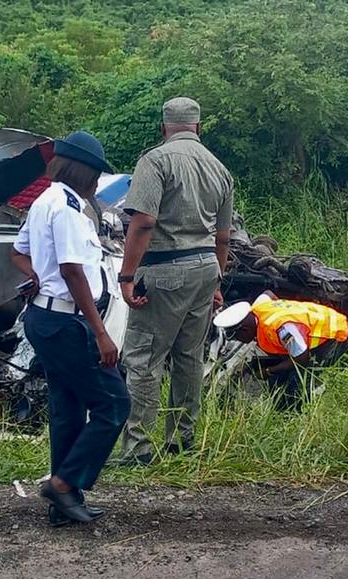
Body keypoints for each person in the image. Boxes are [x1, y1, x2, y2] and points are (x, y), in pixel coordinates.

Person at [11, 131, 130, 526]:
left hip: (46, 317)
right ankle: (63, 484)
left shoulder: (45, 201)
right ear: (82, 172)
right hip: (65, 321)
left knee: (69, 410)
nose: (98, 181)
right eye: (95, 173)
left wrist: (35, 278)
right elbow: (72, 270)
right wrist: (100, 333)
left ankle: (64, 503)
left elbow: (18, 253)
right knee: (114, 404)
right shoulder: (65, 208)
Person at [115, 97, 235, 466]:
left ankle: (139, 448)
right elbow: (224, 237)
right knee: (188, 358)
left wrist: (127, 275)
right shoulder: (219, 169)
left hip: (165, 268)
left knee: (144, 358)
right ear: (198, 127)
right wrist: (217, 281)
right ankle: (182, 442)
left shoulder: (155, 160)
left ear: (164, 126)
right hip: (204, 268)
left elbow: (144, 222)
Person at [213, 293, 348, 410]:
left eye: (238, 337)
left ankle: (300, 411)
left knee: (297, 386)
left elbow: (302, 358)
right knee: (281, 375)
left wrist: (269, 371)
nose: (241, 341)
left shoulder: (282, 329)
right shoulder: (259, 307)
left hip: (334, 335)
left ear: (245, 330)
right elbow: (268, 294)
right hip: (316, 327)